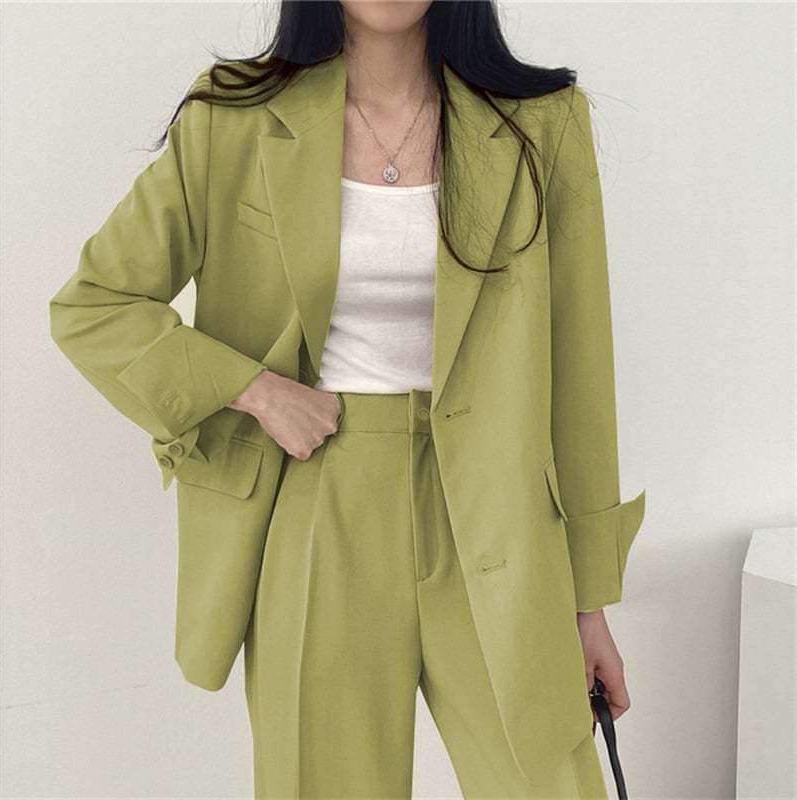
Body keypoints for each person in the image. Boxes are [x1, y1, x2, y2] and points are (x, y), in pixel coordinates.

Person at [49, 1, 647, 797]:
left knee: (547, 782)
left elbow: (580, 372)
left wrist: (587, 603)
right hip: (319, 498)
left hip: (498, 511)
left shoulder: (542, 121)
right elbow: (96, 305)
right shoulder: (234, 116)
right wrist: (254, 390)